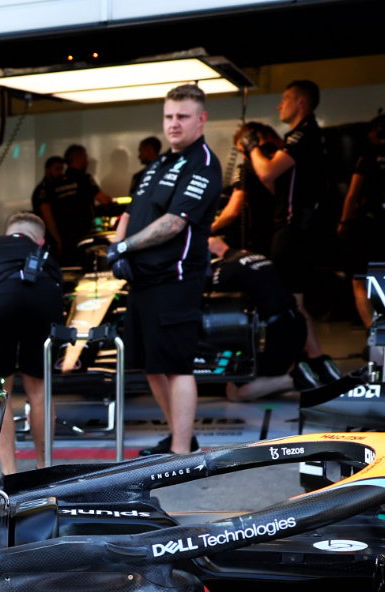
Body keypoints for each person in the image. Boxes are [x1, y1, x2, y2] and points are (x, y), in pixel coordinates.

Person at [108, 83, 222, 457]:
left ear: (201, 120)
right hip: (143, 281)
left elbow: (175, 223)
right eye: (169, 116)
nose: (174, 124)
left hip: (176, 280)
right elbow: (130, 212)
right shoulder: (159, 162)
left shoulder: (202, 163)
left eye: (182, 117)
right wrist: (116, 248)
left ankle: (180, 453)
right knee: (152, 367)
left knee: (176, 365)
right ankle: (180, 434)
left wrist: (125, 246)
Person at [0, 212, 64, 477]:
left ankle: (10, 474)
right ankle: (44, 470)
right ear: (39, 240)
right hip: (42, 304)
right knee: (38, 392)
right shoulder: (47, 255)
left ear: (9, 232)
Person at [251, 79, 336, 379]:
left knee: (290, 305)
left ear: (301, 103)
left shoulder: (304, 135)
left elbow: (267, 172)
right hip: (299, 230)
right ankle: (318, 363)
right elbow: (278, 184)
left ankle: (301, 368)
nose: (279, 105)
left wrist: (252, 148)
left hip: (294, 231)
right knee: (294, 303)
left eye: (285, 99)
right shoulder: (302, 137)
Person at [207, 236, 308, 401]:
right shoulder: (255, 256)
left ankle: (294, 379)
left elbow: (217, 309)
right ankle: (291, 375)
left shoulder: (224, 270)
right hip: (296, 325)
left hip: (276, 334)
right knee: (255, 381)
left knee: (234, 394)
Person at [338, 114, 385, 333]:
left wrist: (345, 222)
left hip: (371, 224)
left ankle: (374, 330)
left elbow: (352, 194)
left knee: (361, 279)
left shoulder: (367, 157)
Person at [210, 122, 280, 255]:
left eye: (243, 151)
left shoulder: (247, 167)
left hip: (260, 237)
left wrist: (211, 228)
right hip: (289, 230)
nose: (243, 156)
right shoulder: (286, 161)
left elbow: (232, 211)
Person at [39, 144, 113, 266]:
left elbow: (47, 214)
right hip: (85, 235)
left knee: (69, 270)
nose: (87, 161)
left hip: (63, 239)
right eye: (85, 158)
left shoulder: (55, 183)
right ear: (79, 159)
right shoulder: (84, 178)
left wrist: (57, 240)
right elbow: (104, 200)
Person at [32, 157, 67, 252]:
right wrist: (58, 239)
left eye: (62, 169)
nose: (60, 173)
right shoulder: (44, 190)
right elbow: (48, 217)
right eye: (57, 169)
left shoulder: (57, 187)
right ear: (48, 170)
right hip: (48, 238)